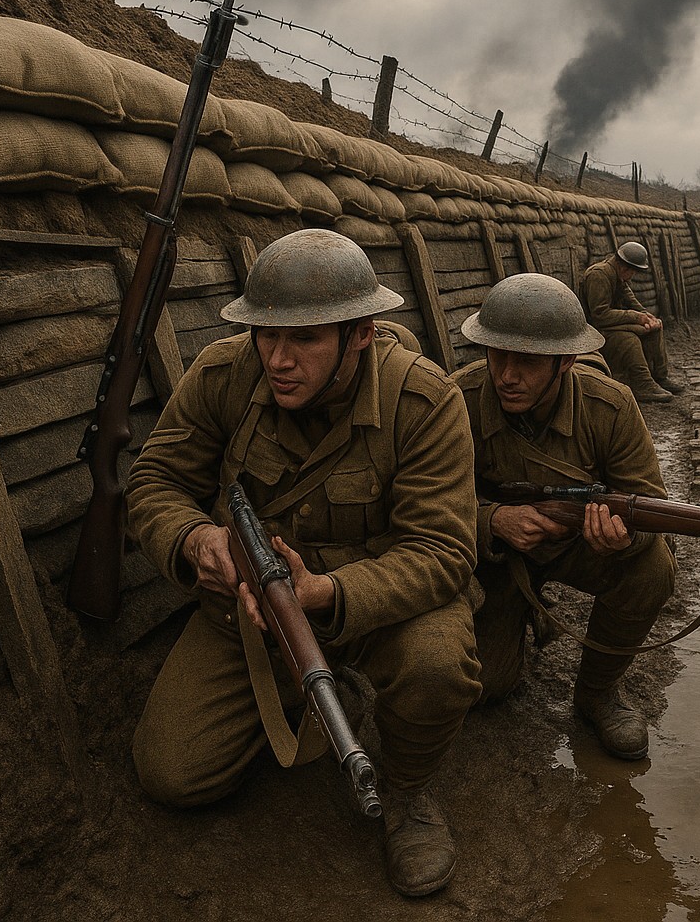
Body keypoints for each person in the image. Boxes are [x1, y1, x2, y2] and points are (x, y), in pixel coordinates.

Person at [126, 228, 482, 897]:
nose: (278, 360)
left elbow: (442, 552)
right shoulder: (224, 375)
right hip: (252, 613)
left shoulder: (424, 400)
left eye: (305, 340)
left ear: (360, 334)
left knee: (438, 663)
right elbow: (155, 482)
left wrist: (326, 591)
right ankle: (304, 693)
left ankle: (407, 797)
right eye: (267, 336)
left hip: (376, 608)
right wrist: (194, 541)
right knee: (173, 774)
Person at [452, 273, 676, 761]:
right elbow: (421, 505)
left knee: (653, 567)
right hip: (492, 556)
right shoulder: (457, 401)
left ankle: (597, 693)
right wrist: (492, 521)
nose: (507, 375)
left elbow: (650, 508)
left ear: (565, 361)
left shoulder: (610, 407)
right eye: (496, 355)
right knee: (485, 687)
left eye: (527, 361)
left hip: (578, 547)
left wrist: (618, 540)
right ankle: (521, 610)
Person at [580, 241, 684, 403]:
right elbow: (600, 315)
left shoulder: (617, 275)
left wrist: (647, 317)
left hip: (611, 324)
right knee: (629, 339)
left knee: (652, 328)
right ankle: (642, 384)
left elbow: (631, 300)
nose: (632, 276)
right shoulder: (599, 275)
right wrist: (636, 317)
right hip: (595, 330)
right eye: (633, 272)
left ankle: (660, 376)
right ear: (624, 267)